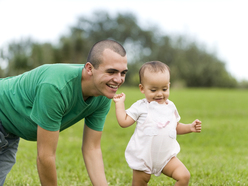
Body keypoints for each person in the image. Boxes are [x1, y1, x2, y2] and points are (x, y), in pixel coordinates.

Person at [0, 39, 128, 186]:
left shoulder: (103, 94)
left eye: (123, 73)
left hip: (9, 134)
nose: (118, 79)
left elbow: (92, 149)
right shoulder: (56, 87)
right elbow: (45, 156)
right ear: (89, 68)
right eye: (111, 71)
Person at [113, 61, 202, 186]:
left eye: (164, 89)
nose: (160, 93)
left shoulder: (170, 106)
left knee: (184, 176)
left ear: (169, 86)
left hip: (166, 157)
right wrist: (119, 104)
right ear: (142, 88)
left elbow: (175, 127)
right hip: (144, 158)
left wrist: (190, 127)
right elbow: (123, 121)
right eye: (153, 90)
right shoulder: (141, 106)